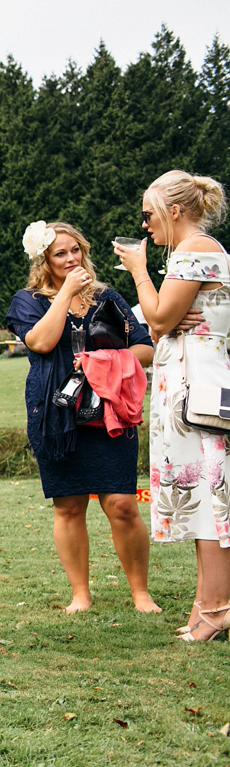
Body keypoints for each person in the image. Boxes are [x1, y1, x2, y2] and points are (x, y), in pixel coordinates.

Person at [7, 221, 160, 614]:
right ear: (45, 260)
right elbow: (40, 342)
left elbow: (145, 348)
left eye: (76, 250)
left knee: (123, 504)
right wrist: (66, 295)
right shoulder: (28, 300)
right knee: (69, 506)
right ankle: (81, 594)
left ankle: (141, 593)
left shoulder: (107, 296)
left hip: (110, 411)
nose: (72, 258)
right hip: (58, 415)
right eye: (61, 253)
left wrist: (102, 360)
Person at [116, 169, 230, 641]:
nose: (145, 226)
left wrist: (140, 270)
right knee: (205, 502)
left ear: (175, 211)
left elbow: (159, 320)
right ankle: (208, 608)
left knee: (210, 502)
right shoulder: (199, 253)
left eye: (149, 215)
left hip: (196, 392)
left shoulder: (196, 250)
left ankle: (217, 609)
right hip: (191, 384)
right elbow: (162, 317)